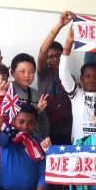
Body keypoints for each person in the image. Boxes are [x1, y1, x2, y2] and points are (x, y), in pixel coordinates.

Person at [37, 10, 73, 146]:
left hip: (67, 130)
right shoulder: (43, 74)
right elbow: (42, 52)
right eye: (51, 56)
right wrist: (60, 25)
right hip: (45, 129)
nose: (55, 59)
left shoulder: (70, 76)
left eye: (58, 55)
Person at [10, 53, 50, 139]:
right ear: (12, 72)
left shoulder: (37, 95)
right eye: (22, 71)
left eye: (31, 72)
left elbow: (44, 122)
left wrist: (44, 138)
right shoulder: (6, 90)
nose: (27, 75)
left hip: (35, 141)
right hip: (13, 141)